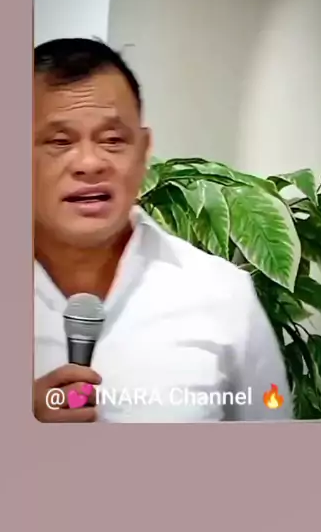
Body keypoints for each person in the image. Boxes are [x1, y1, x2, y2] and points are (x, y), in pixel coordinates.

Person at [33, 37, 292, 422]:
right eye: (59, 141)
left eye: (112, 140)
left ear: (144, 150)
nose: (89, 163)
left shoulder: (224, 295)